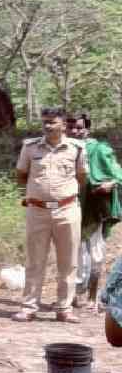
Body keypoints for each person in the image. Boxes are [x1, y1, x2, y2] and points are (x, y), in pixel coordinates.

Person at [14, 107, 88, 323]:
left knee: (68, 261)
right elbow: (21, 174)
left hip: (67, 210)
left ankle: (64, 308)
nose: (47, 126)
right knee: (35, 260)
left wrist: (64, 196)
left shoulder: (77, 148)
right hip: (37, 210)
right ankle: (29, 306)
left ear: (64, 125)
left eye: (52, 122)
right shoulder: (30, 147)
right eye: (45, 122)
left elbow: (82, 177)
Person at [67, 113, 122, 311]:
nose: (74, 131)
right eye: (70, 127)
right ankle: (73, 295)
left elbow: (118, 175)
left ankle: (92, 297)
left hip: (93, 208)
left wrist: (109, 183)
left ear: (87, 129)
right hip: (69, 209)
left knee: (96, 253)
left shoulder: (99, 149)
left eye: (79, 127)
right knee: (74, 254)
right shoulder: (63, 150)